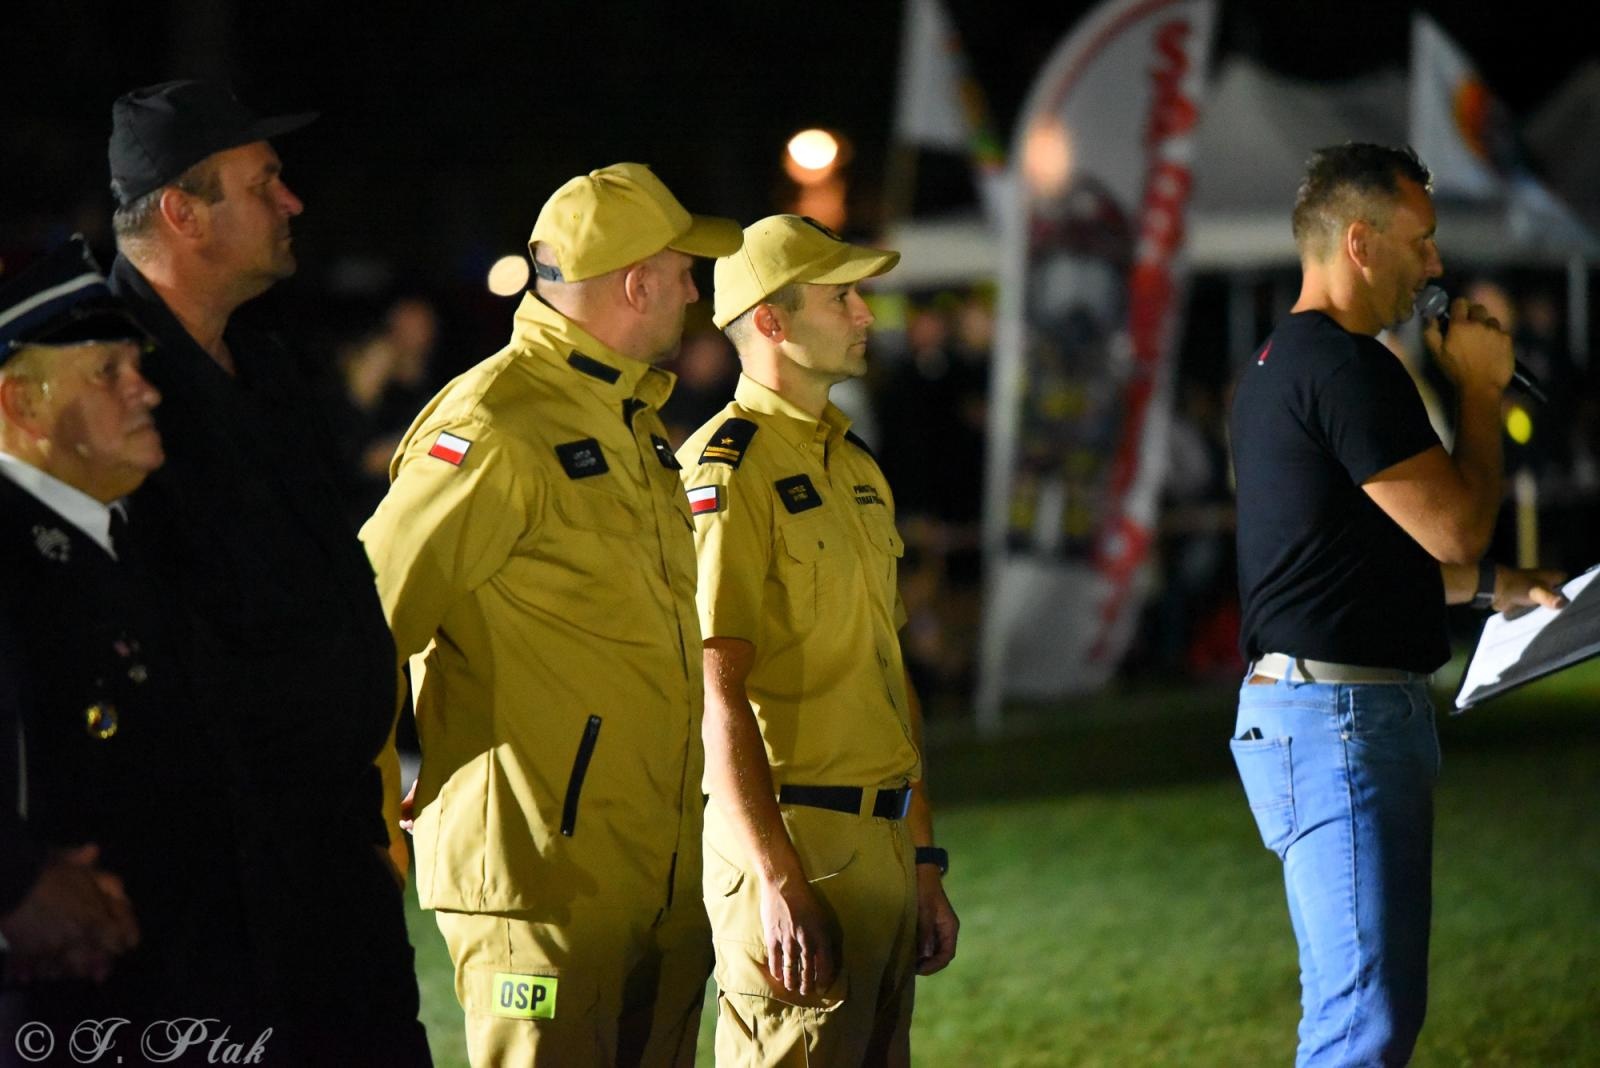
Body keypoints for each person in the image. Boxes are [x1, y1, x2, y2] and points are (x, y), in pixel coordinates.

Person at [360, 162, 741, 1066]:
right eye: (685, 270)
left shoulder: (631, 417)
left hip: (651, 875)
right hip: (540, 887)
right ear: (636, 283)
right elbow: (362, 623)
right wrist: (367, 824)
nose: (697, 290)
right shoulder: (498, 425)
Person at [105, 80, 430, 1064]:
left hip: (333, 865)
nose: (291, 203)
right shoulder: (99, 386)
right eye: (265, 183)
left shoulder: (268, 366)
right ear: (182, 213)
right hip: (214, 900)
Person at [1228, 143, 1567, 1067]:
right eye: (1422, 243)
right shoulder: (1348, 371)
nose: (1437, 267)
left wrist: (1502, 588)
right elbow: (1456, 530)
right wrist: (1483, 393)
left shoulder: (1275, 365)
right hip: (1336, 722)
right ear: (1362, 242)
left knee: (1365, 1013)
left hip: (1318, 712)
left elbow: (1348, 563)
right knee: (1361, 1025)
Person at [678, 215, 960, 1065]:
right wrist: (775, 876)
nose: (866, 315)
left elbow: (889, 674)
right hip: (796, 846)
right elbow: (713, 687)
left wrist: (922, 856)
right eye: (842, 297)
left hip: (879, 845)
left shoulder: (857, 465)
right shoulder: (725, 471)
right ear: (771, 321)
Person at [0, 237, 246, 1058]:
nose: (146, 389)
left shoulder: (140, 535)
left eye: (134, 363)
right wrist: (18, 887)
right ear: (23, 405)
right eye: (107, 372)